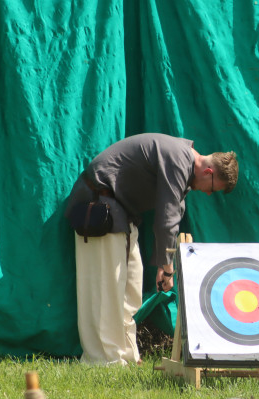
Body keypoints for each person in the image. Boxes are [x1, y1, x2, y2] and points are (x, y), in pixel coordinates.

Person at [64, 133, 238, 365]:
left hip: (121, 214)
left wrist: (165, 266)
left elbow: (173, 212)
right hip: (100, 207)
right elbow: (167, 219)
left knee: (131, 291)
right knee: (107, 290)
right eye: (212, 189)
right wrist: (166, 269)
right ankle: (104, 362)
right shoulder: (179, 158)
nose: (207, 193)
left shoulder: (183, 161)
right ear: (209, 172)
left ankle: (126, 354)